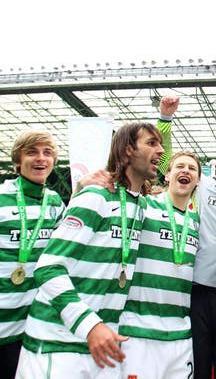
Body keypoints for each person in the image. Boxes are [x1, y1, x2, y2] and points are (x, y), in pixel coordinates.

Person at [16, 122, 164, 378]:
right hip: (59, 346)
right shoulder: (97, 196)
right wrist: (91, 325)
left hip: (102, 348)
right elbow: (48, 269)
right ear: (128, 150)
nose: (161, 151)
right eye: (151, 143)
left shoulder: (140, 206)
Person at [157, 96, 216, 379]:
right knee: (197, 354)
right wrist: (165, 119)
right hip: (198, 283)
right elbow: (167, 166)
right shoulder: (203, 186)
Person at [119, 151, 201, 378]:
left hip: (180, 334)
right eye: (180, 167)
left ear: (198, 181)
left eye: (192, 169)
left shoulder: (195, 221)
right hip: (139, 330)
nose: (186, 171)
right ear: (167, 176)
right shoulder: (145, 206)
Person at [0, 131, 66, 379]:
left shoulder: (55, 202)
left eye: (47, 153)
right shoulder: (2, 197)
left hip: (30, 326)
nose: (41, 159)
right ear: (18, 159)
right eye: (32, 152)